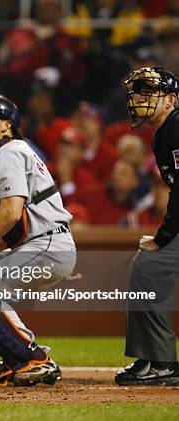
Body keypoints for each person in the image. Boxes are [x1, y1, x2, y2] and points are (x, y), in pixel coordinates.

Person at [0, 90, 76, 387]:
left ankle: (31, 359)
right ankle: (19, 354)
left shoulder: (8, 151)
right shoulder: (8, 151)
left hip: (47, 245)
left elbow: (9, 213)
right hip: (43, 243)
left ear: (6, 124)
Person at [115, 67, 179, 386]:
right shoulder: (165, 131)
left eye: (148, 92)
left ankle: (162, 363)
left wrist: (163, 237)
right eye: (137, 92)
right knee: (147, 266)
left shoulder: (177, 128)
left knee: (150, 266)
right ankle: (155, 358)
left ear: (171, 100)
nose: (139, 99)